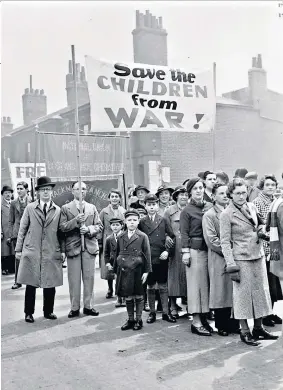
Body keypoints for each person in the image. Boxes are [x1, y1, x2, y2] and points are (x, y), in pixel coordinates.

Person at [220, 178, 278, 346]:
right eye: (237, 193)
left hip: (258, 255)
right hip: (241, 259)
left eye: (244, 192)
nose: (241, 196)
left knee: (261, 292)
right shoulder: (226, 214)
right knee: (243, 297)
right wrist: (231, 265)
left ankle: (258, 328)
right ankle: (244, 331)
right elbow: (224, 241)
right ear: (230, 194)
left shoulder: (251, 206)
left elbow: (260, 223)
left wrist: (261, 232)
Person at [15, 176, 65, 323]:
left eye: (48, 190)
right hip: (33, 250)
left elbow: (61, 232)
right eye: (43, 190)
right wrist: (18, 249)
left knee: (50, 283)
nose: (45, 193)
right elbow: (22, 229)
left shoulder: (57, 210)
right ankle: (28, 313)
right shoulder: (30, 208)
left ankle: (48, 311)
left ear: (52, 192)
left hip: (51, 250)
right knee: (30, 283)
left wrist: (62, 250)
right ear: (37, 192)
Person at [59, 181, 102, 318]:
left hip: (88, 247)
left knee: (89, 278)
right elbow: (62, 227)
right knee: (74, 280)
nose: (81, 191)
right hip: (73, 248)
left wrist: (89, 229)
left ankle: (88, 306)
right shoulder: (65, 208)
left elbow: (99, 227)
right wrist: (76, 221)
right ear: (72, 191)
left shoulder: (92, 207)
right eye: (78, 189)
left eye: (83, 189)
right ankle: (74, 307)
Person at [202, 183, 239, 336]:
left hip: (235, 256)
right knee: (220, 291)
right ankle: (221, 325)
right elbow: (211, 240)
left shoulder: (233, 211)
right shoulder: (209, 215)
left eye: (226, 193)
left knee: (234, 290)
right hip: (219, 257)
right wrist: (228, 251)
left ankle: (234, 324)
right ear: (213, 196)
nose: (225, 196)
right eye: (221, 193)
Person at [180, 178, 213, 336]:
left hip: (210, 251)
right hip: (194, 252)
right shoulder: (187, 210)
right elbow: (184, 233)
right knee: (195, 287)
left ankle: (204, 318)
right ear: (190, 192)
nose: (199, 191)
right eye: (195, 189)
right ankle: (196, 322)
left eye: (201, 188)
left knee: (206, 286)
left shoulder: (209, 206)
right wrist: (185, 252)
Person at [139, 194, 176, 324]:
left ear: (158, 205)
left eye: (154, 204)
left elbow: (172, 236)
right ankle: (152, 313)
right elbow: (138, 239)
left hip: (161, 257)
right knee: (150, 285)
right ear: (145, 206)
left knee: (163, 285)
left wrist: (167, 251)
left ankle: (166, 312)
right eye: (149, 205)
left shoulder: (163, 220)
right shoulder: (142, 222)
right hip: (148, 258)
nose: (152, 207)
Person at [112, 209, 152, 331]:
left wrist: (146, 271)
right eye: (129, 220)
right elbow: (117, 253)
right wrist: (115, 271)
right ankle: (130, 319)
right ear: (125, 222)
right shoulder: (121, 236)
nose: (132, 222)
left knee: (139, 295)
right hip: (124, 270)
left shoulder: (142, 236)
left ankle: (139, 320)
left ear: (138, 221)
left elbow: (147, 254)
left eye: (134, 220)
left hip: (138, 269)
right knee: (128, 295)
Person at [253, 175, 282, 326]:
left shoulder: (275, 202)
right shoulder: (257, 202)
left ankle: (271, 312)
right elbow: (259, 226)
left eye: (273, 185)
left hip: (275, 247)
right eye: (267, 185)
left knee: (274, 283)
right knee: (266, 283)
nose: (271, 187)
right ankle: (264, 314)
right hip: (265, 247)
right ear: (262, 187)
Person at [164, 186, 188, 318]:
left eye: (185, 194)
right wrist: (167, 238)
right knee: (174, 277)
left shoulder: (191, 210)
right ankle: (173, 305)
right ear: (176, 196)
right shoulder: (169, 211)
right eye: (181, 194)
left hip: (189, 246)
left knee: (189, 277)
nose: (184, 197)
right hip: (175, 247)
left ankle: (191, 305)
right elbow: (164, 229)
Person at [99, 189, 125, 299]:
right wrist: (100, 242)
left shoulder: (123, 211)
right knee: (109, 264)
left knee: (120, 264)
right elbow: (100, 227)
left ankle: (120, 288)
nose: (114, 198)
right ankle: (110, 288)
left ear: (119, 198)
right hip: (108, 240)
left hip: (121, 241)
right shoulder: (104, 212)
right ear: (109, 198)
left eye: (116, 196)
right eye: (112, 196)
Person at [8, 181, 31, 289]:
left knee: (30, 256)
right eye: (18, 188)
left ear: (27, 190)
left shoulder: (32, 201)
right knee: (18, 257)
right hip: (17, 233)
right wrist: (11, 234)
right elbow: (11, 220)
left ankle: (31, 280)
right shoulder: (13, 203)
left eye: (21, 188)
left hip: (30, 233)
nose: (19, 191)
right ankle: (17, 281)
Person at [104, 217, 125, 308]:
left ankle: (125, 298)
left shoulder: (125, 237)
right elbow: (106, 253)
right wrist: (108, 263)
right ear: (110, 226)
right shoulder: (109, 239)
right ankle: (119, 298)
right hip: (114, 263)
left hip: (124, 263)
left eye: (117, 225)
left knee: (125, 281)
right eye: (113, 225)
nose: (115, 227)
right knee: (117, 281)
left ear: (122, 226)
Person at [1, 185, 14, 275]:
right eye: (6, 193)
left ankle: (12, 268)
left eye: (9, 193)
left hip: (12, 231)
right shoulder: (1, 205)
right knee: (5, 250)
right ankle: (4, 268)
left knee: (13, 249)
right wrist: (0, 232)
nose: (8, 195)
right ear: (2, 195)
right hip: (4, 231)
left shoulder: (13, 204)